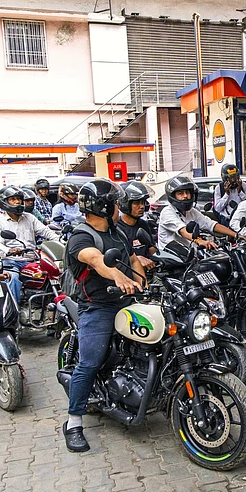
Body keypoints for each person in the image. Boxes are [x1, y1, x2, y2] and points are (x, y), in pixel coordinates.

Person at [61, 179, 146, 453]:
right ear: (104, 207)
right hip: (97, 306)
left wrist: (139, 280)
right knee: (90, 362)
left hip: (127, 301)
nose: (120, 208)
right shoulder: (81, 237)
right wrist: (119, 277)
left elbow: (133, 259)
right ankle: (73, 422)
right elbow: (96, 260)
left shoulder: (118, 232)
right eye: (115, 204)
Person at [0, 186, 61, 302]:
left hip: (32, 258)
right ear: (4, 202)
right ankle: (14, 311)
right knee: (13, 278)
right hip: (11, 261)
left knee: (55, 272)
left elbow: (45, 231)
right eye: (12, 199)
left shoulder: (30, 218)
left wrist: (60, 241)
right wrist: (9, 250)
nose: (17, 202)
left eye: (19, 199)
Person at [157, 175, 238, 252]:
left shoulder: (191, 211)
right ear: (173, 196)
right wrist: (200, 241)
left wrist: (235, 235)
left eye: (187, 192)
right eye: (180, 193)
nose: (185, 196)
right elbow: (183, 231)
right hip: (171, 259)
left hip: (188, 256)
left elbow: (210, 224)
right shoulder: (167, 212)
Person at [118, 180, 157, 256]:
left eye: (143, 202)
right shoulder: (117, 228)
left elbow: (151, 248)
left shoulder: (143, 224)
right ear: (125, 204)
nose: (142, 206)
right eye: (136, 203)